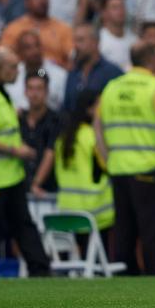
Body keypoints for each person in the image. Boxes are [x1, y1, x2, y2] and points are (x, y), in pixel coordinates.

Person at [97, 41, 155, 275]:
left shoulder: (112, 87)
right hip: (150, 171)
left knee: (125, 234)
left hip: (119, 171)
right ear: (152, 60)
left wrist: (109, 159)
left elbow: (98, 126)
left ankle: (125, 286)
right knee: (154, 236)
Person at [0, 47, 50, 277]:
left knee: (24, 226)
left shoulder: (2, 94)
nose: (18, 71)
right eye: (13, 67)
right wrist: (17, 150)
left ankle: (42, 273)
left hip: (10, 176)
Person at [54, 90, 114, 252]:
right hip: (96, 212)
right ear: (90, 109)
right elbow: (109, 165)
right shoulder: (92, 137)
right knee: (97, 260)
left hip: (67, 210)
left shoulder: (63, 138)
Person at [0, 0, 73, 68]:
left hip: (55, 75)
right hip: (23, 75)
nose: (43, 0)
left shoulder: (63, 29)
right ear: (26, 2)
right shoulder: (14, 28)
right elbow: (2, 57)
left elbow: (73, 58)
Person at [19, 70, 61, 197]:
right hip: (19, 187)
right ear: (25, 92)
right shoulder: (18, 119)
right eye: (30, 88)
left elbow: (50, 152)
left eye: (39, 88)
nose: (34, 94)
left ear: (47, 91)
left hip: (47, 189)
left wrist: (36, 184)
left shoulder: (56, 120)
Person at [63, 24, 123, 112]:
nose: (75, 45)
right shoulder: (73, 73)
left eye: (80, 40)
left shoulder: (113, 73)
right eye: (74, 41)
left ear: (95, 42)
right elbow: (66, 107)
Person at [5, 30, 67, 111]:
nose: (35, 51)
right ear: (20, 52)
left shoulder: (59, 75)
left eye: (37, 45)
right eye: (28, 47)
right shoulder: (11, 74)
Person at [98, 0, 136, 71]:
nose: (120, 11)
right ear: (103, 13)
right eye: (115, 7)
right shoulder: (98, 42)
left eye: (122, 6)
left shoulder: (135, 40)